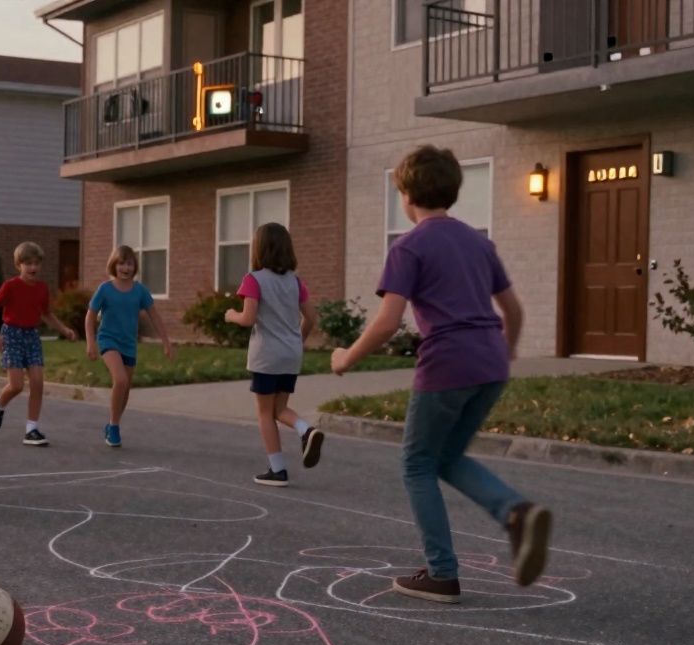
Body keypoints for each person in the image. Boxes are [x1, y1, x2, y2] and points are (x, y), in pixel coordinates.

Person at [330, 144, 552, 604]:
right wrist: (503, 355)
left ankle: (442, 573)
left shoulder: (408, 246)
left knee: (416, 463)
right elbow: (512, 308)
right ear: (451, 192)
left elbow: (389, 321)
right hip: (489, 363)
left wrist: (346, 358)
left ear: (406, 196)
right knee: (446, 457)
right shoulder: (478, 241)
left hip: (448, 361)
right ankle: (514, 511)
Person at [224, 223, 325, 487]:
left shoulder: (253, 279)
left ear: (258, 249)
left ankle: (278, 470)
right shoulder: (295, 281)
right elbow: (311, 317)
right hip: (290, 355)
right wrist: (297, 341)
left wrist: (231, 315)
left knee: (265, 413)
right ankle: (306, 429)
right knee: (280, 408)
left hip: (266, 356)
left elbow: (248, 318)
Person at [0, 241, 77, 446]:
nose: (33, 267)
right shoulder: (10, 286)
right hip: (12, 335)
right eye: (28, 263)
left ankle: (31, 429)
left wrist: (64, 330)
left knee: (37, 382)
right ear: (19, 265)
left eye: (36, 263)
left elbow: (47, 314)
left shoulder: (42, 289)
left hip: (32, 336)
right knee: (16, 385)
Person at [85, 245, 173, 448]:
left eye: (130, 263)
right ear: (114, 265)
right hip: (108, 340)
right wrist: (90, 342)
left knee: (125, 388)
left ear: (135, 267)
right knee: (121, 379)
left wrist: (166, 342)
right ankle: (114, 427)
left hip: (129, 344)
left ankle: (111, 423)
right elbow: (90, 317)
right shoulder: (105, 289)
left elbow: (155, 317)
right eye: (122, 263)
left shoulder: (140, 291)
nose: (126, 267)